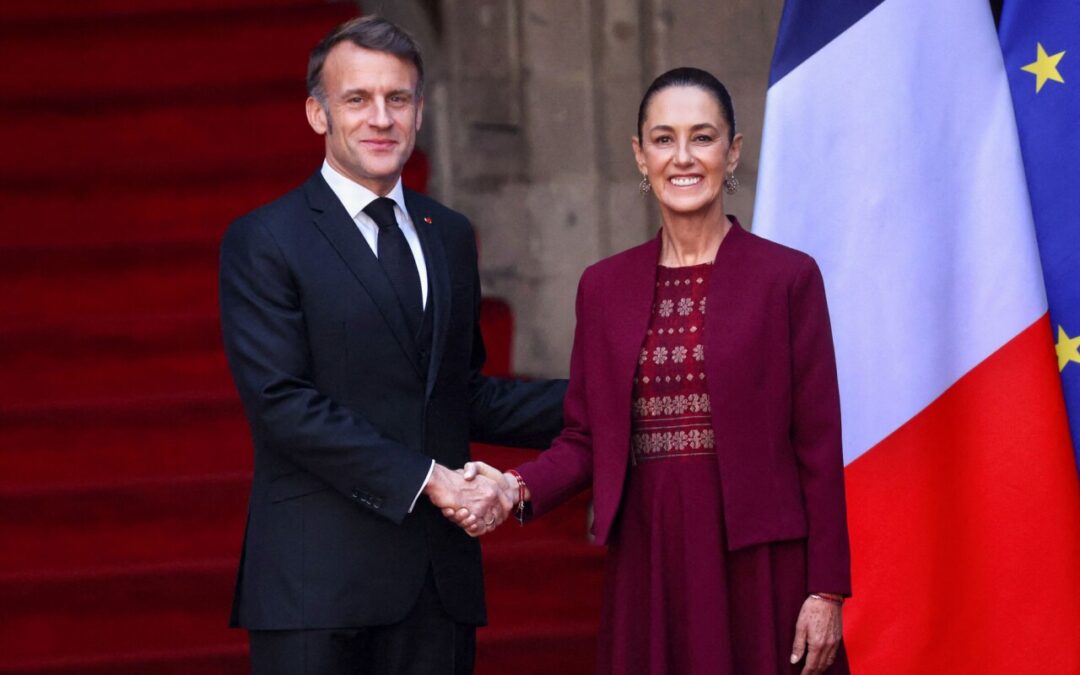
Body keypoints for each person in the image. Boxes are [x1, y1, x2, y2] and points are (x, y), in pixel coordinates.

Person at [455, 68, 851, 674]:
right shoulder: (603, 287)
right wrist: (514, 487)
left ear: (733, 151)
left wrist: (825, 592)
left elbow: (819, 447)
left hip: (762, 565)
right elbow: (586, 436)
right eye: (664, 139)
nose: (683, 157)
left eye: (703, 137)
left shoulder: (788, 279)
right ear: (640, 156)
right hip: (650, 556)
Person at [218, 15, 567, 675]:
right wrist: (428, 478)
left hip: (438, 585)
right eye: (358, 99)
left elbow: (459, 392)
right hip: (314, 587)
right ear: (317, 115)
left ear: (420, 111)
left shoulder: (450, 234)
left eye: (397, 99)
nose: (381, 117)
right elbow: (283, 403)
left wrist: (614, 397)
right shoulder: (265, 239)